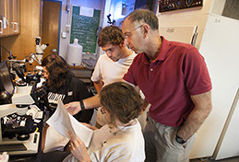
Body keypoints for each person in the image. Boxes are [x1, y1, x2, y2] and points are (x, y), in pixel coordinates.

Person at [121, 9, 212, 162]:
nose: (126, 43)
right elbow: (123, 92)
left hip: (175, 133)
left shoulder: (187, 55)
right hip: (152, 124)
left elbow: (205, 106)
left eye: (127, 35)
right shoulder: (139, 61)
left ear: (144, 30)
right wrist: (83, 105)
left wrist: (181, 138)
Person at [63, 82, 145, 162]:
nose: (103, 111)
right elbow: (109, 137)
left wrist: (83, 158)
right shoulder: (121, 122)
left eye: (104, 110)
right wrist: (91, 129)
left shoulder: (130, 151)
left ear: (116, 114)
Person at [40, 54, 93, 153]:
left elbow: (87, 110)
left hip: (72, 127)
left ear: (56, 73)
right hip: (54, 125)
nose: (45, 76)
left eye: (47, 73)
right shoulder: (49, 84)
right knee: (41, 150)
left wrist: (79, 128)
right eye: (44, 72)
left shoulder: (77, 85)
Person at [91, 25, 137, 127]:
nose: (108, 55)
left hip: (125, 120)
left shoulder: (136, 61)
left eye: (111, 49)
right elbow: (96, 80)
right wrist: (104, 99)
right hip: (103, 117)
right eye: (105, 51)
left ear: (122, 43)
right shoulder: (103, 59)